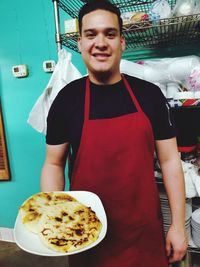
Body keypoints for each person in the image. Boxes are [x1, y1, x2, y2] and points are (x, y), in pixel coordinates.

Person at [40, 1, 188, 266]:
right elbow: (53, 163)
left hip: (143, 234)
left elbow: (170, 162)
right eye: (91, 34)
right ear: (81, 43)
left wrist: (178, 225)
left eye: (109, 34)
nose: (100, 42)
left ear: (122, 42)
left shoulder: (150, 96)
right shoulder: (66, 100)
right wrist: (54, 212)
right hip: (85, 233)